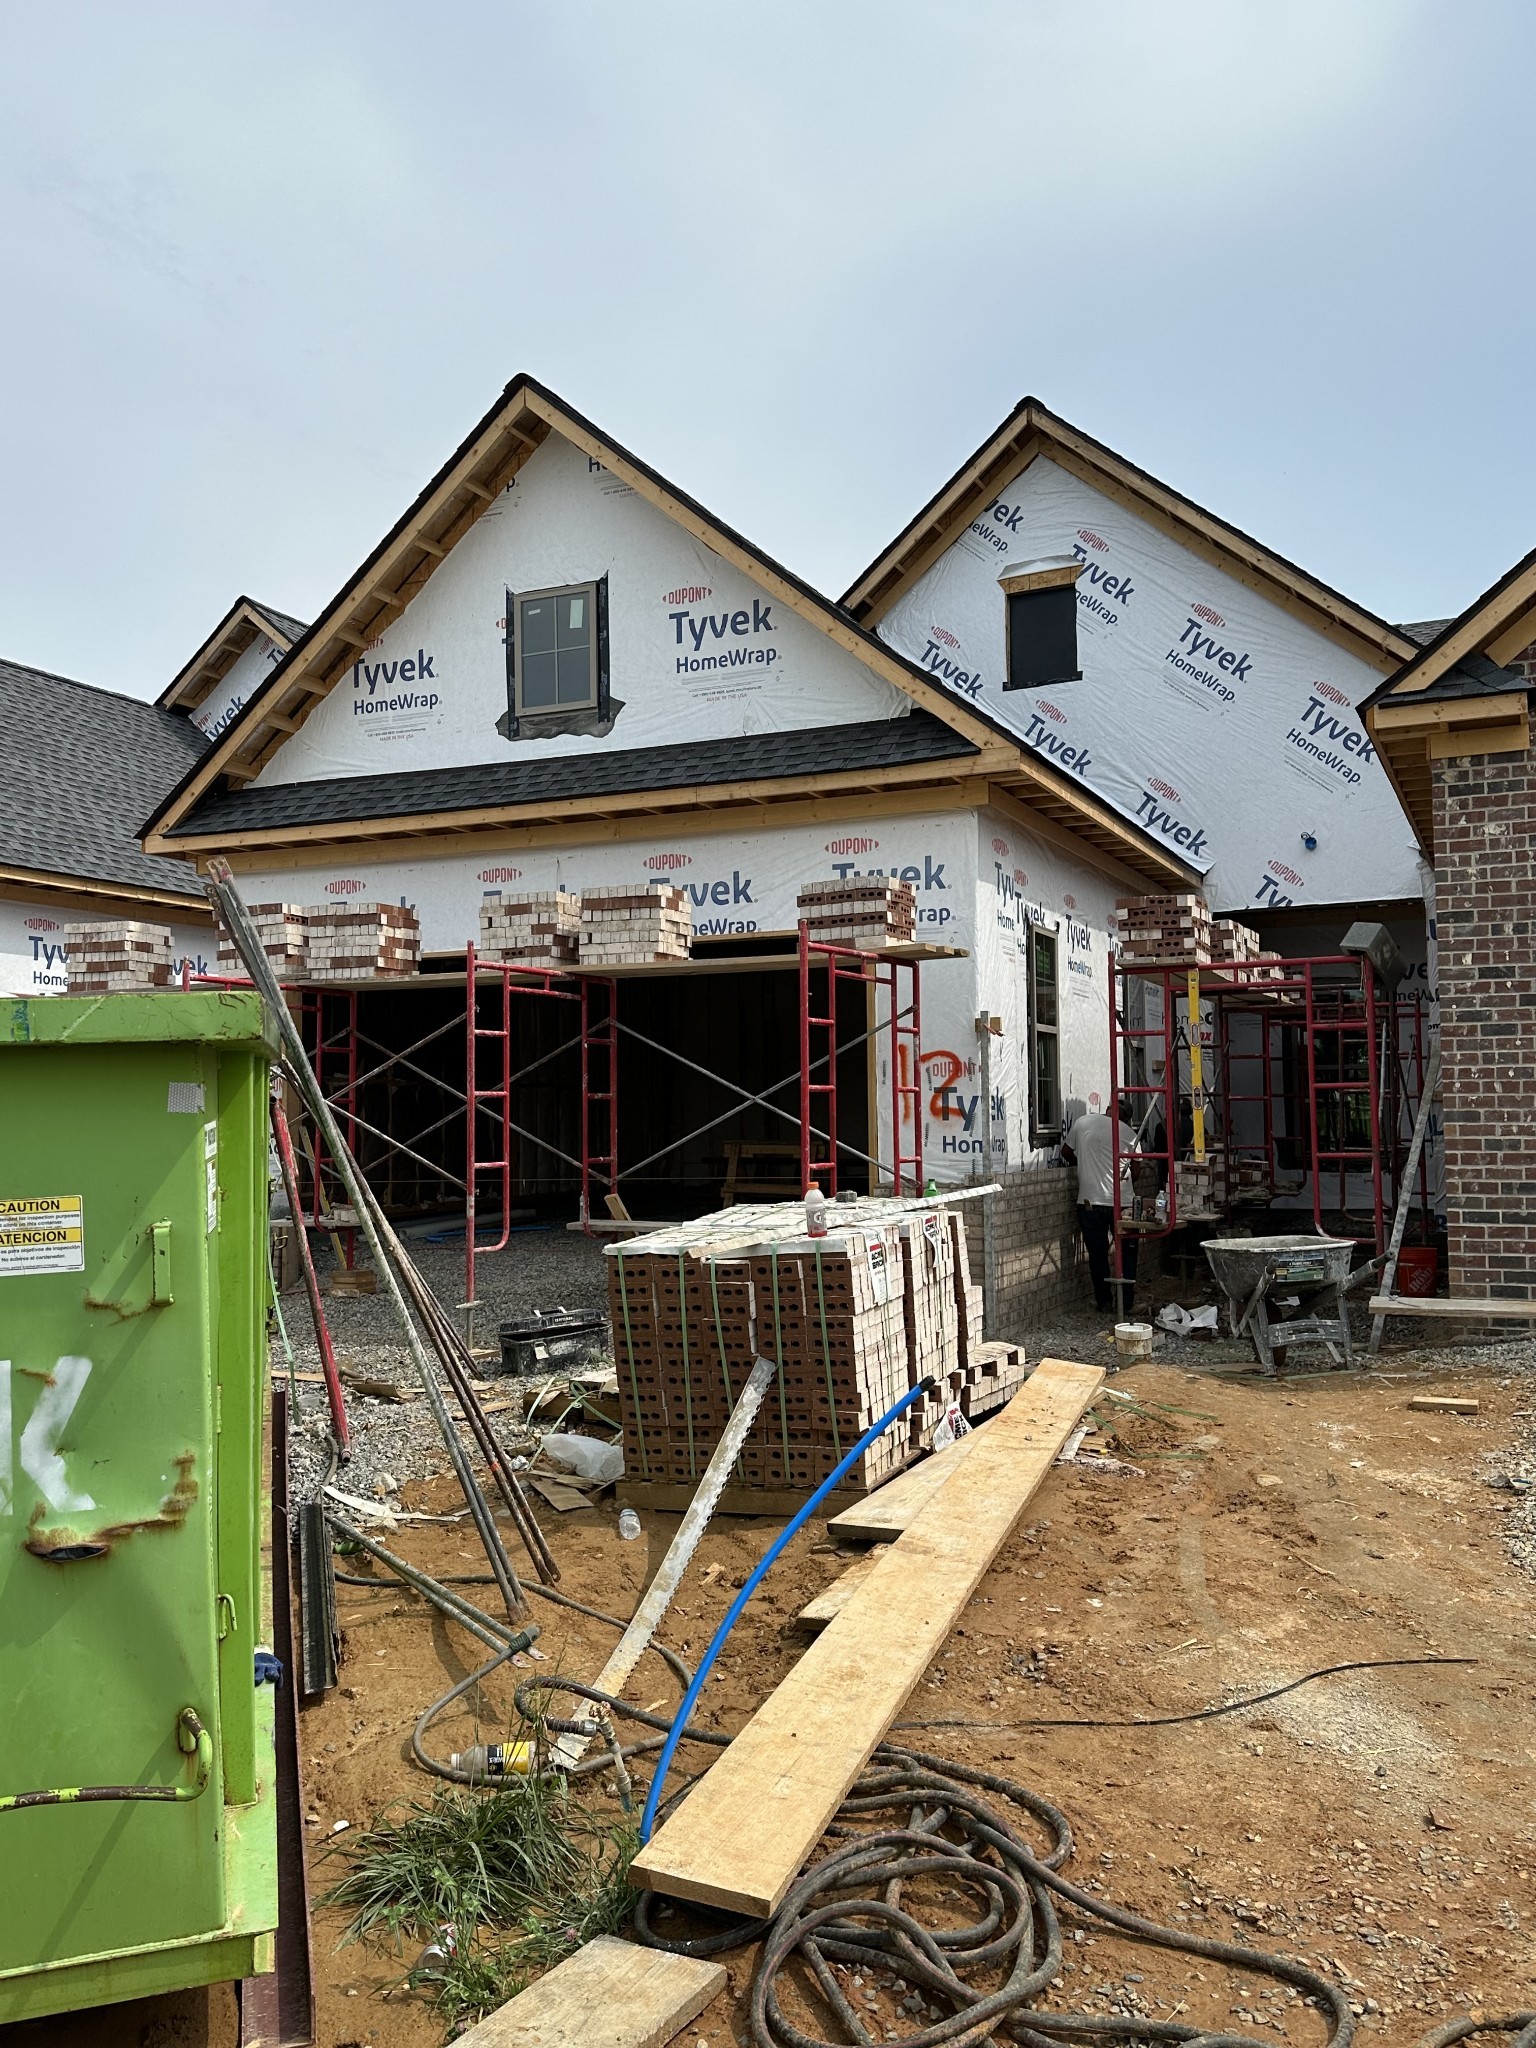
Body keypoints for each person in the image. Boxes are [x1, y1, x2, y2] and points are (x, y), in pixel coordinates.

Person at [1061, 1107, 1139, 1314]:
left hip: (1089, 1201)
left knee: (1097, 1255)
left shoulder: (1083, 1122)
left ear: (1107, 1109)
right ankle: (1126, 1303)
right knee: (1127, 1254)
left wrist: (1086, 1165)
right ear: (1126, 1118)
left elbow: (1066, 1152)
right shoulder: (1129, 1134)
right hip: (1122, 1203)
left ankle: (1103, 1302)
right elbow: (1137, 1171)